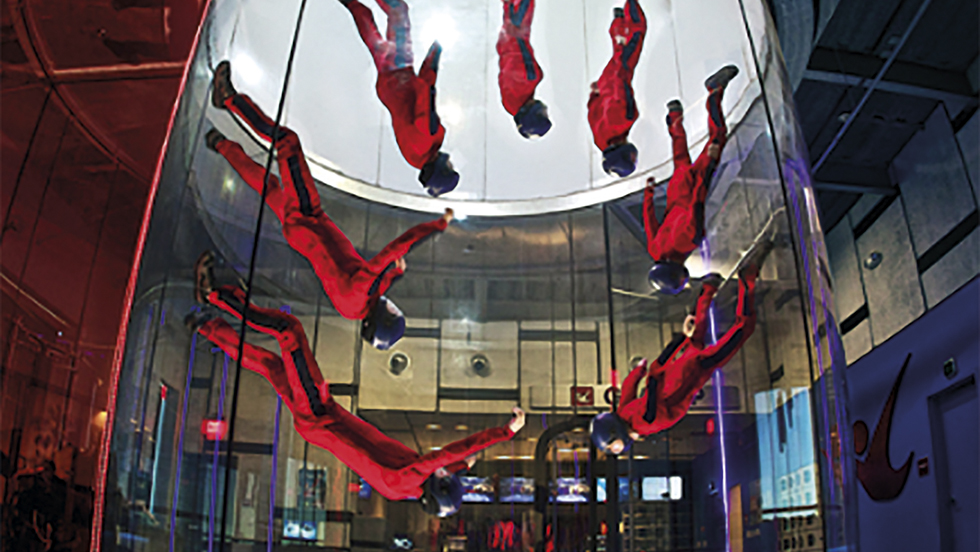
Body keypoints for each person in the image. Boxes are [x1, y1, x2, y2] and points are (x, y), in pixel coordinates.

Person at [187, 271, 526, 517]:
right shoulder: (404, 488)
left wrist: (504, 433)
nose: (445, 473)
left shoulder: (411, 475)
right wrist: (461, 466)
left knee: (289, 331)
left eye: (445, 478)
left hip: (319, 411)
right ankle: (205, 326)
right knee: (272, 365)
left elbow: (444, 456)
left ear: (437, 484)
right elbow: (445, 463)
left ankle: (216, 294)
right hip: (317, 422)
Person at [206, 61, 453, 350]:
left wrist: (438, 226)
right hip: (301, 232)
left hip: (307, 217)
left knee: (287, 142)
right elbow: (380, 281)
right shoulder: (356, 306)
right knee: (268, 186)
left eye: (393, 312)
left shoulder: (363, 291)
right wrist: (396, 273)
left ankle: (229, 100)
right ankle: (220, 144)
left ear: (383, 316)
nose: (393, 306)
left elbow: (393, 250)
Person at [591, 239, 771, 455]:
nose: (621, 447)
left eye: (616, 445)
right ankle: (708, 289)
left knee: (743, 329)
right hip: (677, 368)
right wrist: (643, 368)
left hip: (692, 373)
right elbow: (633, 383)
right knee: (696, 337)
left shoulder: (645, 423)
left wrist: (651, 375)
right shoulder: (624, 412)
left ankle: (747, 278)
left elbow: (652, 405)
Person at [338, 0, 459, 196]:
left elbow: (425, 89)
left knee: (398, 11)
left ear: (441, 170)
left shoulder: (427, 140)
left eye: (450, 167)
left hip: (399, 71)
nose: (451, 162)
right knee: (367, 19)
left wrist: (436, 49)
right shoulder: (415, 158)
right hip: (390, 84)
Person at [644, 65, 739, 294]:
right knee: (680, 156)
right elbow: (649, 222)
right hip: (675, 189)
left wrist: (708, 168)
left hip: (692, 186)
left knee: (717, 138)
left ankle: (714, 93)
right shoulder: (656, 251)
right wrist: (648, 193)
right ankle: (674, 116)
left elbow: (699, 199)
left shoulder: (691, 241)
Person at [587, 0, 646, 177]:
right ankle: (619, 20)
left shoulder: (625, 118)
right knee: (621, 48)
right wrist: (594, 94)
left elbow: (621, 81)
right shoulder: (600, 140)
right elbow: (591, 114)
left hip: (618, 73)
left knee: (638, 31)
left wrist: (620, 47)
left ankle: (626, 12)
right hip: (605, 84)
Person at [497, 0, 551, 139]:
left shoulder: (528, 80)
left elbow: (519, 42)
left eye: (543, 114)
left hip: (517, 27)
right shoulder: (511, 101)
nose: (545, 110)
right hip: (509, 34)